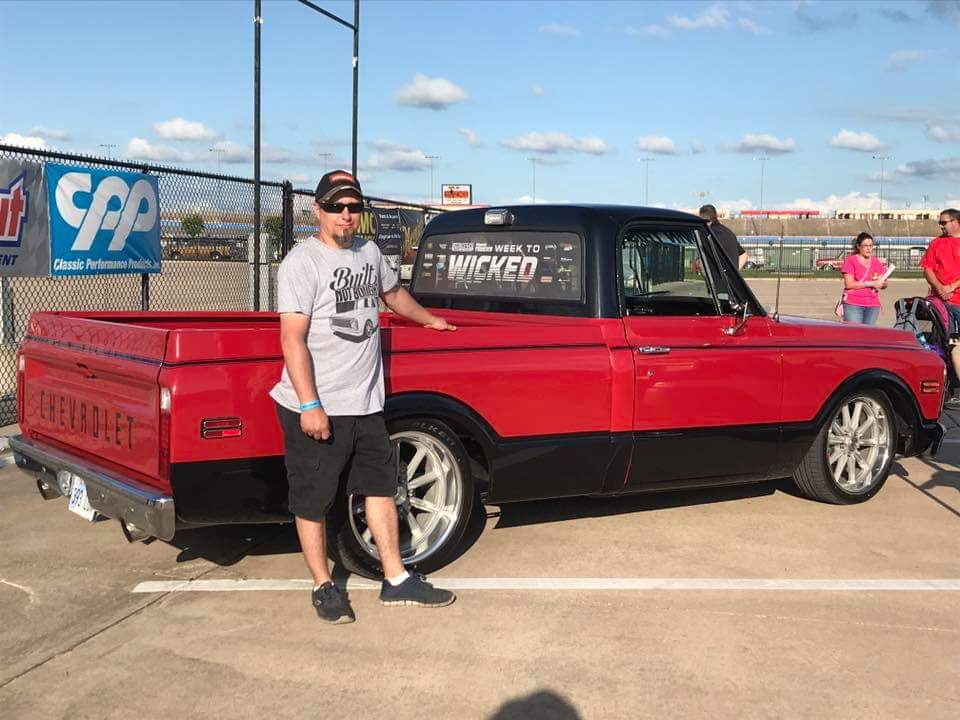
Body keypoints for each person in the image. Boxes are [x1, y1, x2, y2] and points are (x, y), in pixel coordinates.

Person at [271, 169, 457, 624]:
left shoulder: (369, 253)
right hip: (318, 406)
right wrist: (310, 405)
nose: (346, 215)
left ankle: (396, 579)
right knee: (313, 500)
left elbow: (393, 294)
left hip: (367, 404)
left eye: (353, 207)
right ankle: (323, 585)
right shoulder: (302, 262)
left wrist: (430, 321)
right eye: (336, 206)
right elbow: (292, 339)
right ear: (317, 210)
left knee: (380, 488)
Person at [920, 208, 960, 390]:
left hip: (957, 300)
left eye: (944, 222)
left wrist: (951, 286)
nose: (941, 226)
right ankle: (949, 382)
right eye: (940, 223)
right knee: (946, 344)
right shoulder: (936, 243)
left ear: (956, 222)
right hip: (941, 303)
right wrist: (939, 288)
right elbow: (927, 269)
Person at [840, 232, 887, 324]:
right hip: (853, 304)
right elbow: (849, 284)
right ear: (858, 246)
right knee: (855, 331)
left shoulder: (876, 262)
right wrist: (871, 283)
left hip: (873, 305)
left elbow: (885, 284)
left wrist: (882, 283)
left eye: (871, 245)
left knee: (869, 332)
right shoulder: (851, 260)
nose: (869, 248)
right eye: (865, 246)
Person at [698, 204, 747, 270]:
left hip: (715, 275)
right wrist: (735, 272)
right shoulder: (729, 233)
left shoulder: (706, 234)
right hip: (731, 276)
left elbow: (703, 261)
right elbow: (744, 255)